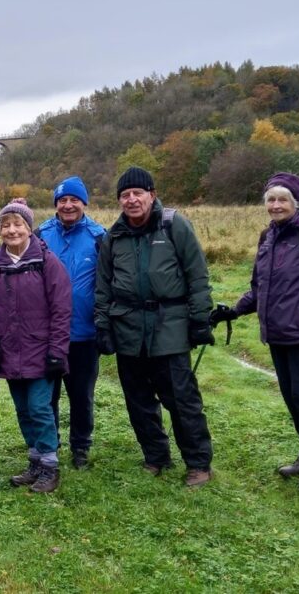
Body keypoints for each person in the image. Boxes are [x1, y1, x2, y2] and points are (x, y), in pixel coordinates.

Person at [210, 172, 299, 488]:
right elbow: (260, 288)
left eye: (282, 199)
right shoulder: (270, 236)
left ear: (296, 202)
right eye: (270, 199)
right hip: (278, 334)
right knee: (291, 396)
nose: (275, 205)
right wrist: (233, 311)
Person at [94, 167, 215, 487]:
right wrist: (103, 325)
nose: (132, 199)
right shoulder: (113, 236)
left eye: (138, 193)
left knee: (182, 399)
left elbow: (197, 276)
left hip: (170, 325)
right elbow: (103, 285)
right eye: (125, 195)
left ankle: (198, 462)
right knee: (138, 399)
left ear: (152, 195)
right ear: (119, 200)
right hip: (128, 328)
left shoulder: (174, 225)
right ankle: (156, 455)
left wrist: (200, 319)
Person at [0, 198, 72, 493]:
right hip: (8, 353)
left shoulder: (46, 262)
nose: (12, 230)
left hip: (41, 353)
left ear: (29, 228)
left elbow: (61, 309)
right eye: (6, 225)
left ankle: (50, 466)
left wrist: (57, 351)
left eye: (18, 224)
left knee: (39, 408)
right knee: (22, 410)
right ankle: (34, 461)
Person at [38, 176, 107, 469]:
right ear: (56, 204)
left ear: (84, 203)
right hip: (46, 334)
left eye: (74, 200)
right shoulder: (40, 234)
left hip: (84, 334)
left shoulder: (99, 236)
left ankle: (81, 447)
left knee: (81, 397)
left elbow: (108, 283)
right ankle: (49, 447)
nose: (68, 205)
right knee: (46, 398)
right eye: (62, 200)